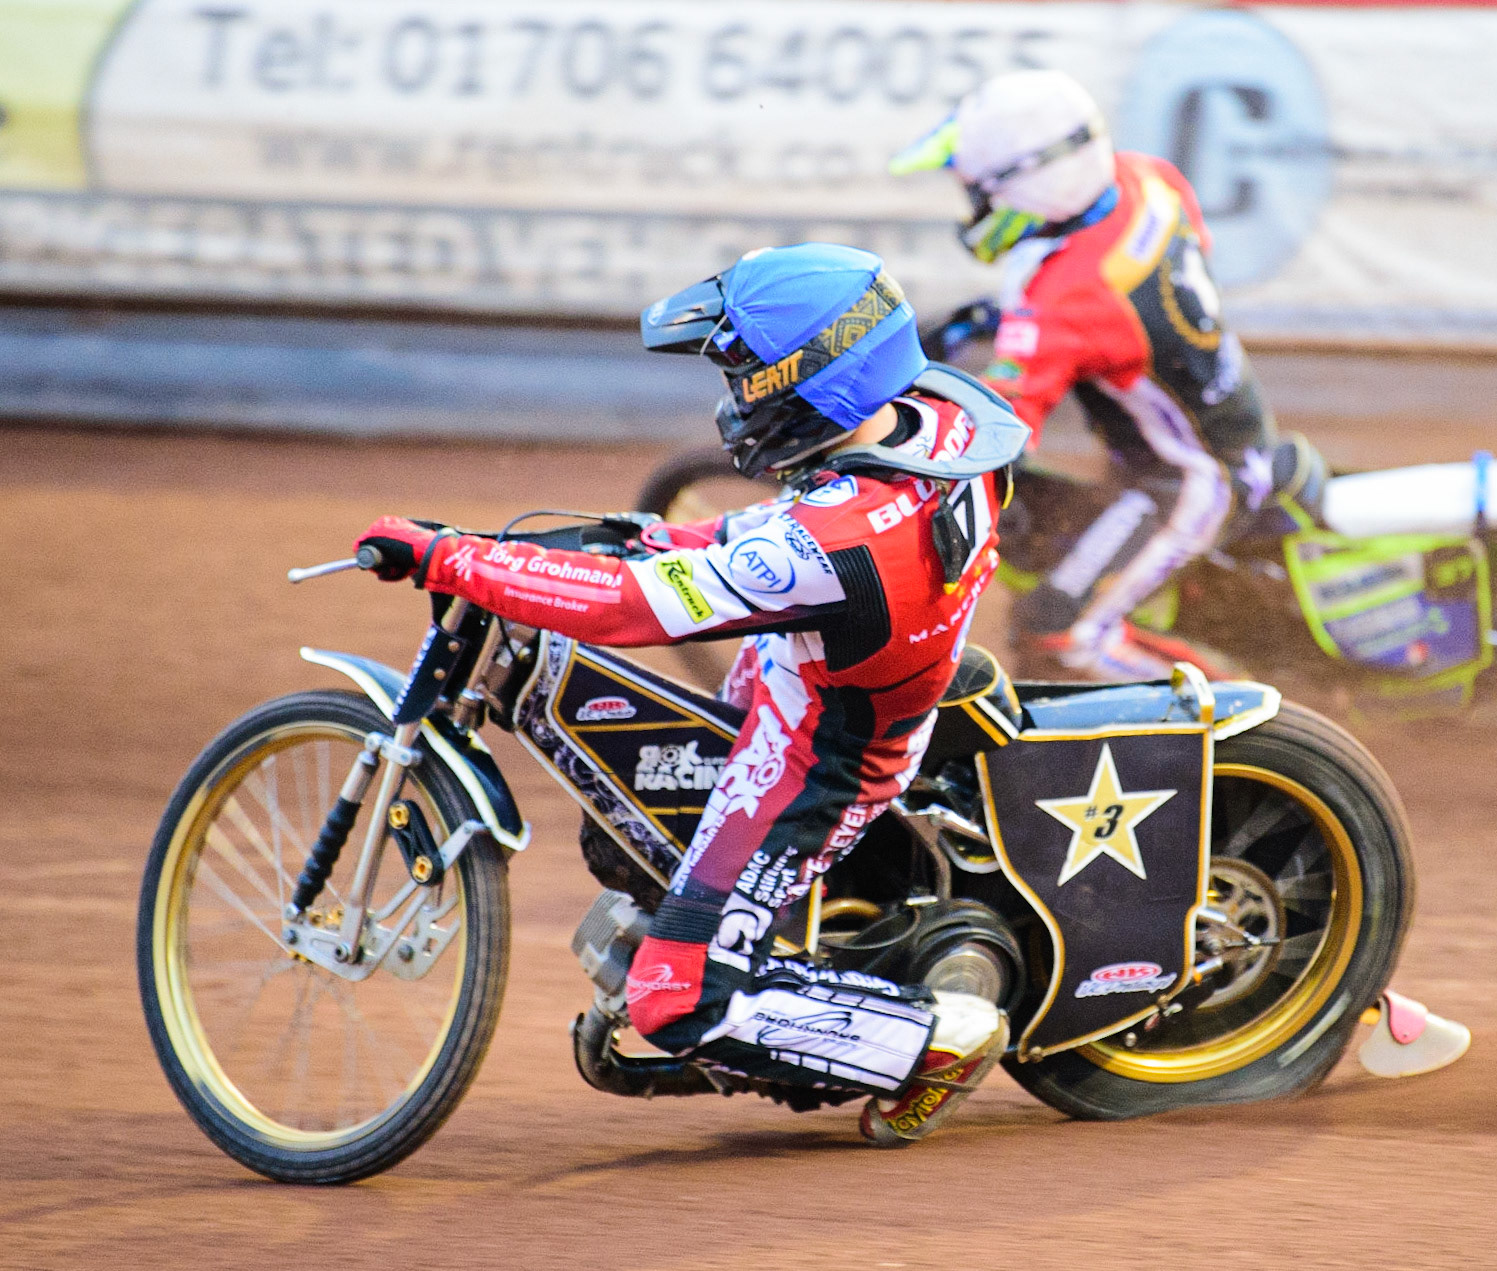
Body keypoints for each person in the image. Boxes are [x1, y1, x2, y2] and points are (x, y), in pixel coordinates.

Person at [355, 243, 1030, 1146]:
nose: (735, 393)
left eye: (746, 371)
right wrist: (667, 537)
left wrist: (453, 559)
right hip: (838, 660)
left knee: (672, 998)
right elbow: (812, 518)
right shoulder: (940, 419)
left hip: (819, 756)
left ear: (818, 379)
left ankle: (932, 1038)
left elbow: (632, 608)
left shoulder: (831, 545)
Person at [891, 69, 1325, 681]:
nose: (976, 210)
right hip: (1229, 432)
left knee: (1055, 631)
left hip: (1186, 484)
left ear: (1030, 186)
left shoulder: (1063, 301)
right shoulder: (1148, 180)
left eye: (980, 193)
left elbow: (1000, 431)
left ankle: (1242, 720)